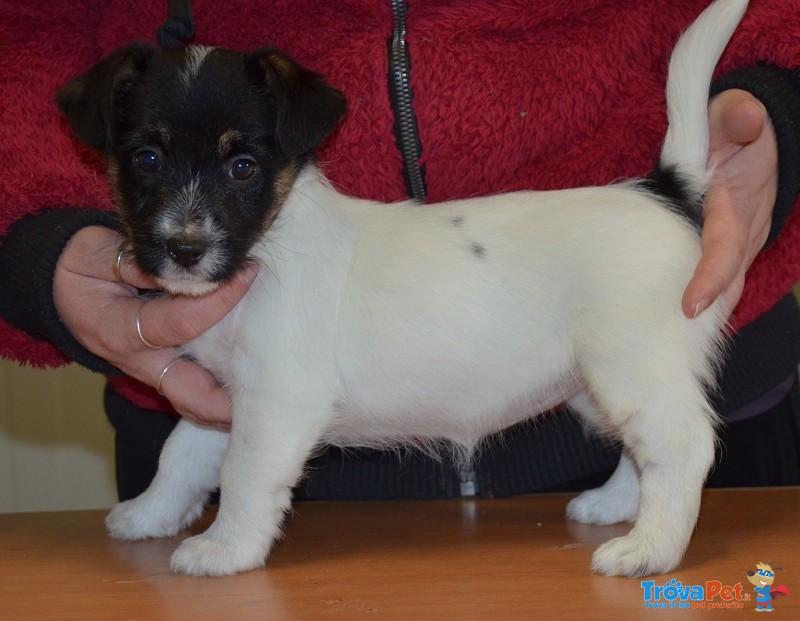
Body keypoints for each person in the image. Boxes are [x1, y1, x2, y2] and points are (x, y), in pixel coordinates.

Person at [1, 0, 799, 502]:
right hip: (319, 496)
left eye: (241, 168)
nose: (186, 224)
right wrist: (32, 246)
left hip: (712, 383)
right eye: (147, 159)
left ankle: (663, 480)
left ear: (289, 153)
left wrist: (779, 112)